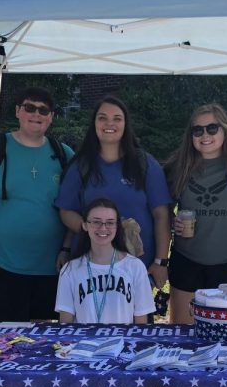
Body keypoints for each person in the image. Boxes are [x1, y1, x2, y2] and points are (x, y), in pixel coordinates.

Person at [0, 87, 74, 387]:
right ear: (18, 110)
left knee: (45, 332)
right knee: (4, 331)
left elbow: (74, 205)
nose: (36, 114)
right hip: (5, 261)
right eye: (30, 107)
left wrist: (67, 247)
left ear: (52, 117)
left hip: (51, 263)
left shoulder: (63, 152)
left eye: (44, 109)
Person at [54, 197, 156, 387]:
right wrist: (71, 355)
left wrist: (136, 358)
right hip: (85, 353)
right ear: (84, 225)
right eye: (96, 221)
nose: (102, 228)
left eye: (109, 222)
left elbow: (142, 323)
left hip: (122, 353)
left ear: (117, 226)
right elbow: (65, 325)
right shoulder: (72, 270)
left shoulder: (134, 267)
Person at [163, 103, 227, 387]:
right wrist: (172, 222)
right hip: (188, 259)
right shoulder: (178, 166)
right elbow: (160, 212)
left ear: (224, 130)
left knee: (225, 335)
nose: (204, 135)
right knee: (183, 331)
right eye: (197, 130)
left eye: (211, 128)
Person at [55, 96, 172, 291]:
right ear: (94, 124)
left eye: (117, 118)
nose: (110, 123)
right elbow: (66, 211)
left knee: (137, 320)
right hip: (89, 266)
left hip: (138, 267)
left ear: (126, 124)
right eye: (102, 118)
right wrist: (97, 231)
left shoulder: (145, 164)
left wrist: (161, 262)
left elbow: (162, 215)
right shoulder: (80, 166)